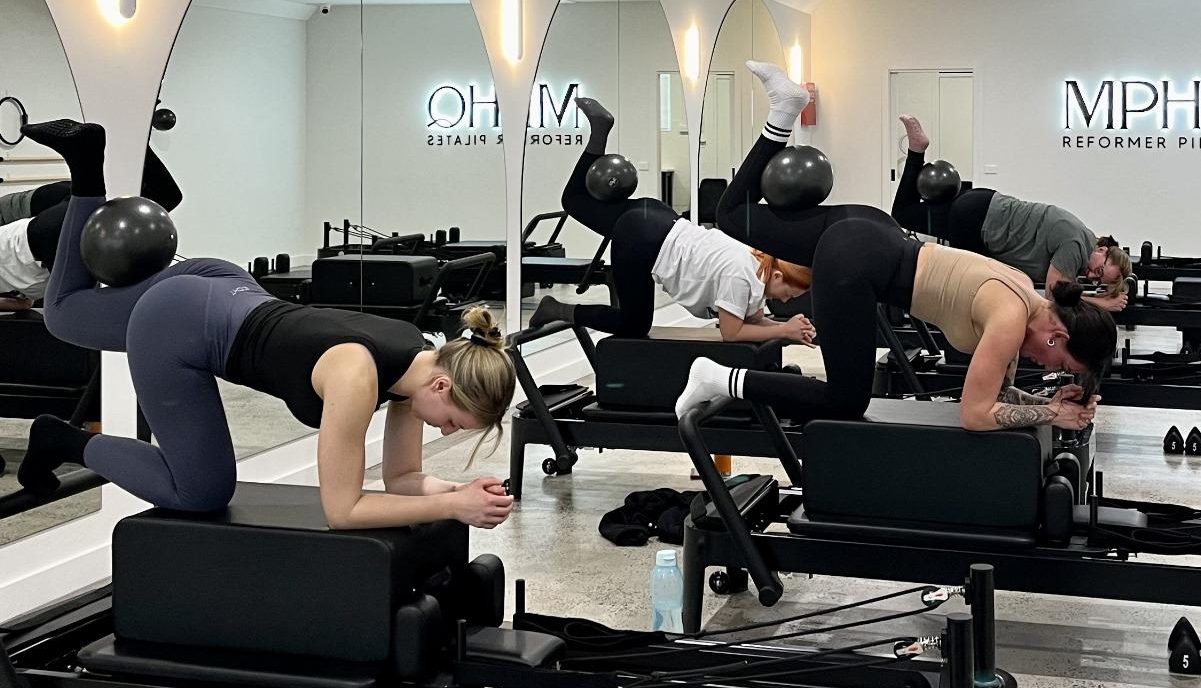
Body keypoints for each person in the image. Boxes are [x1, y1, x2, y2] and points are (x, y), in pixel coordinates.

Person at [16, 118, 516, 531]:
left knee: (64, 313)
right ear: (443, 385)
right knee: (200, 492)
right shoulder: (356, 377)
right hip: (179, 324)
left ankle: (85, 167)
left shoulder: (420, 359)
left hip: (222, 283)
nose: (444, 430)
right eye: (453, 421)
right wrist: (451, 507)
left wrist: (462, 493)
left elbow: (401, 479)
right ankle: (64, 441)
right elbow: (343, 511)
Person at [677, 63, 1115, 433]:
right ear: (1058, 335)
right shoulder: (1009, 319)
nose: (1048, 368)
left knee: (732, 215)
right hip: (856, 263)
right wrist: (1052, 414)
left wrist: (1050, 405)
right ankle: (718, 378)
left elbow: (998, 396)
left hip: (871, 232)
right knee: (845, 400)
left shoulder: (1023, 294)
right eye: (1062, 364)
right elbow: (975, 414)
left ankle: (784, 110)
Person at [529, 96, 815, 345]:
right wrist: (784, 330)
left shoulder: (757, 263)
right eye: (789, 294)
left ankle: (599, 131)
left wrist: (790, 330)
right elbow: (731, 332)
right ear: (778, 276)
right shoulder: (740, 276)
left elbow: (751, 322)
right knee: (633, 324)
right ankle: (556, 309)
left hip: (656, 218)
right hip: (643, 241)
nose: (786, 301)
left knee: (574, 201)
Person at [891, 116, 1131, 311]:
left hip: (980, 206)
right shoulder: (1077, 246)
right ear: (1102, 250)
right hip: (977, 223)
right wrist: (1101, 303)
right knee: (972, 293)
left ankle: (916, 151)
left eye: (1098, 281)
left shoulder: (1081, 235)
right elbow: (1054, 293)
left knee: (904, 213)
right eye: (1099, 270)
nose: (1092, 276)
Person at [0, 148, 182, 308]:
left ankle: (112, 141)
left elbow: (25, 304)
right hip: (39, 230)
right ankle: (132, 134)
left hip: (34, 232)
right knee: (166, 197)